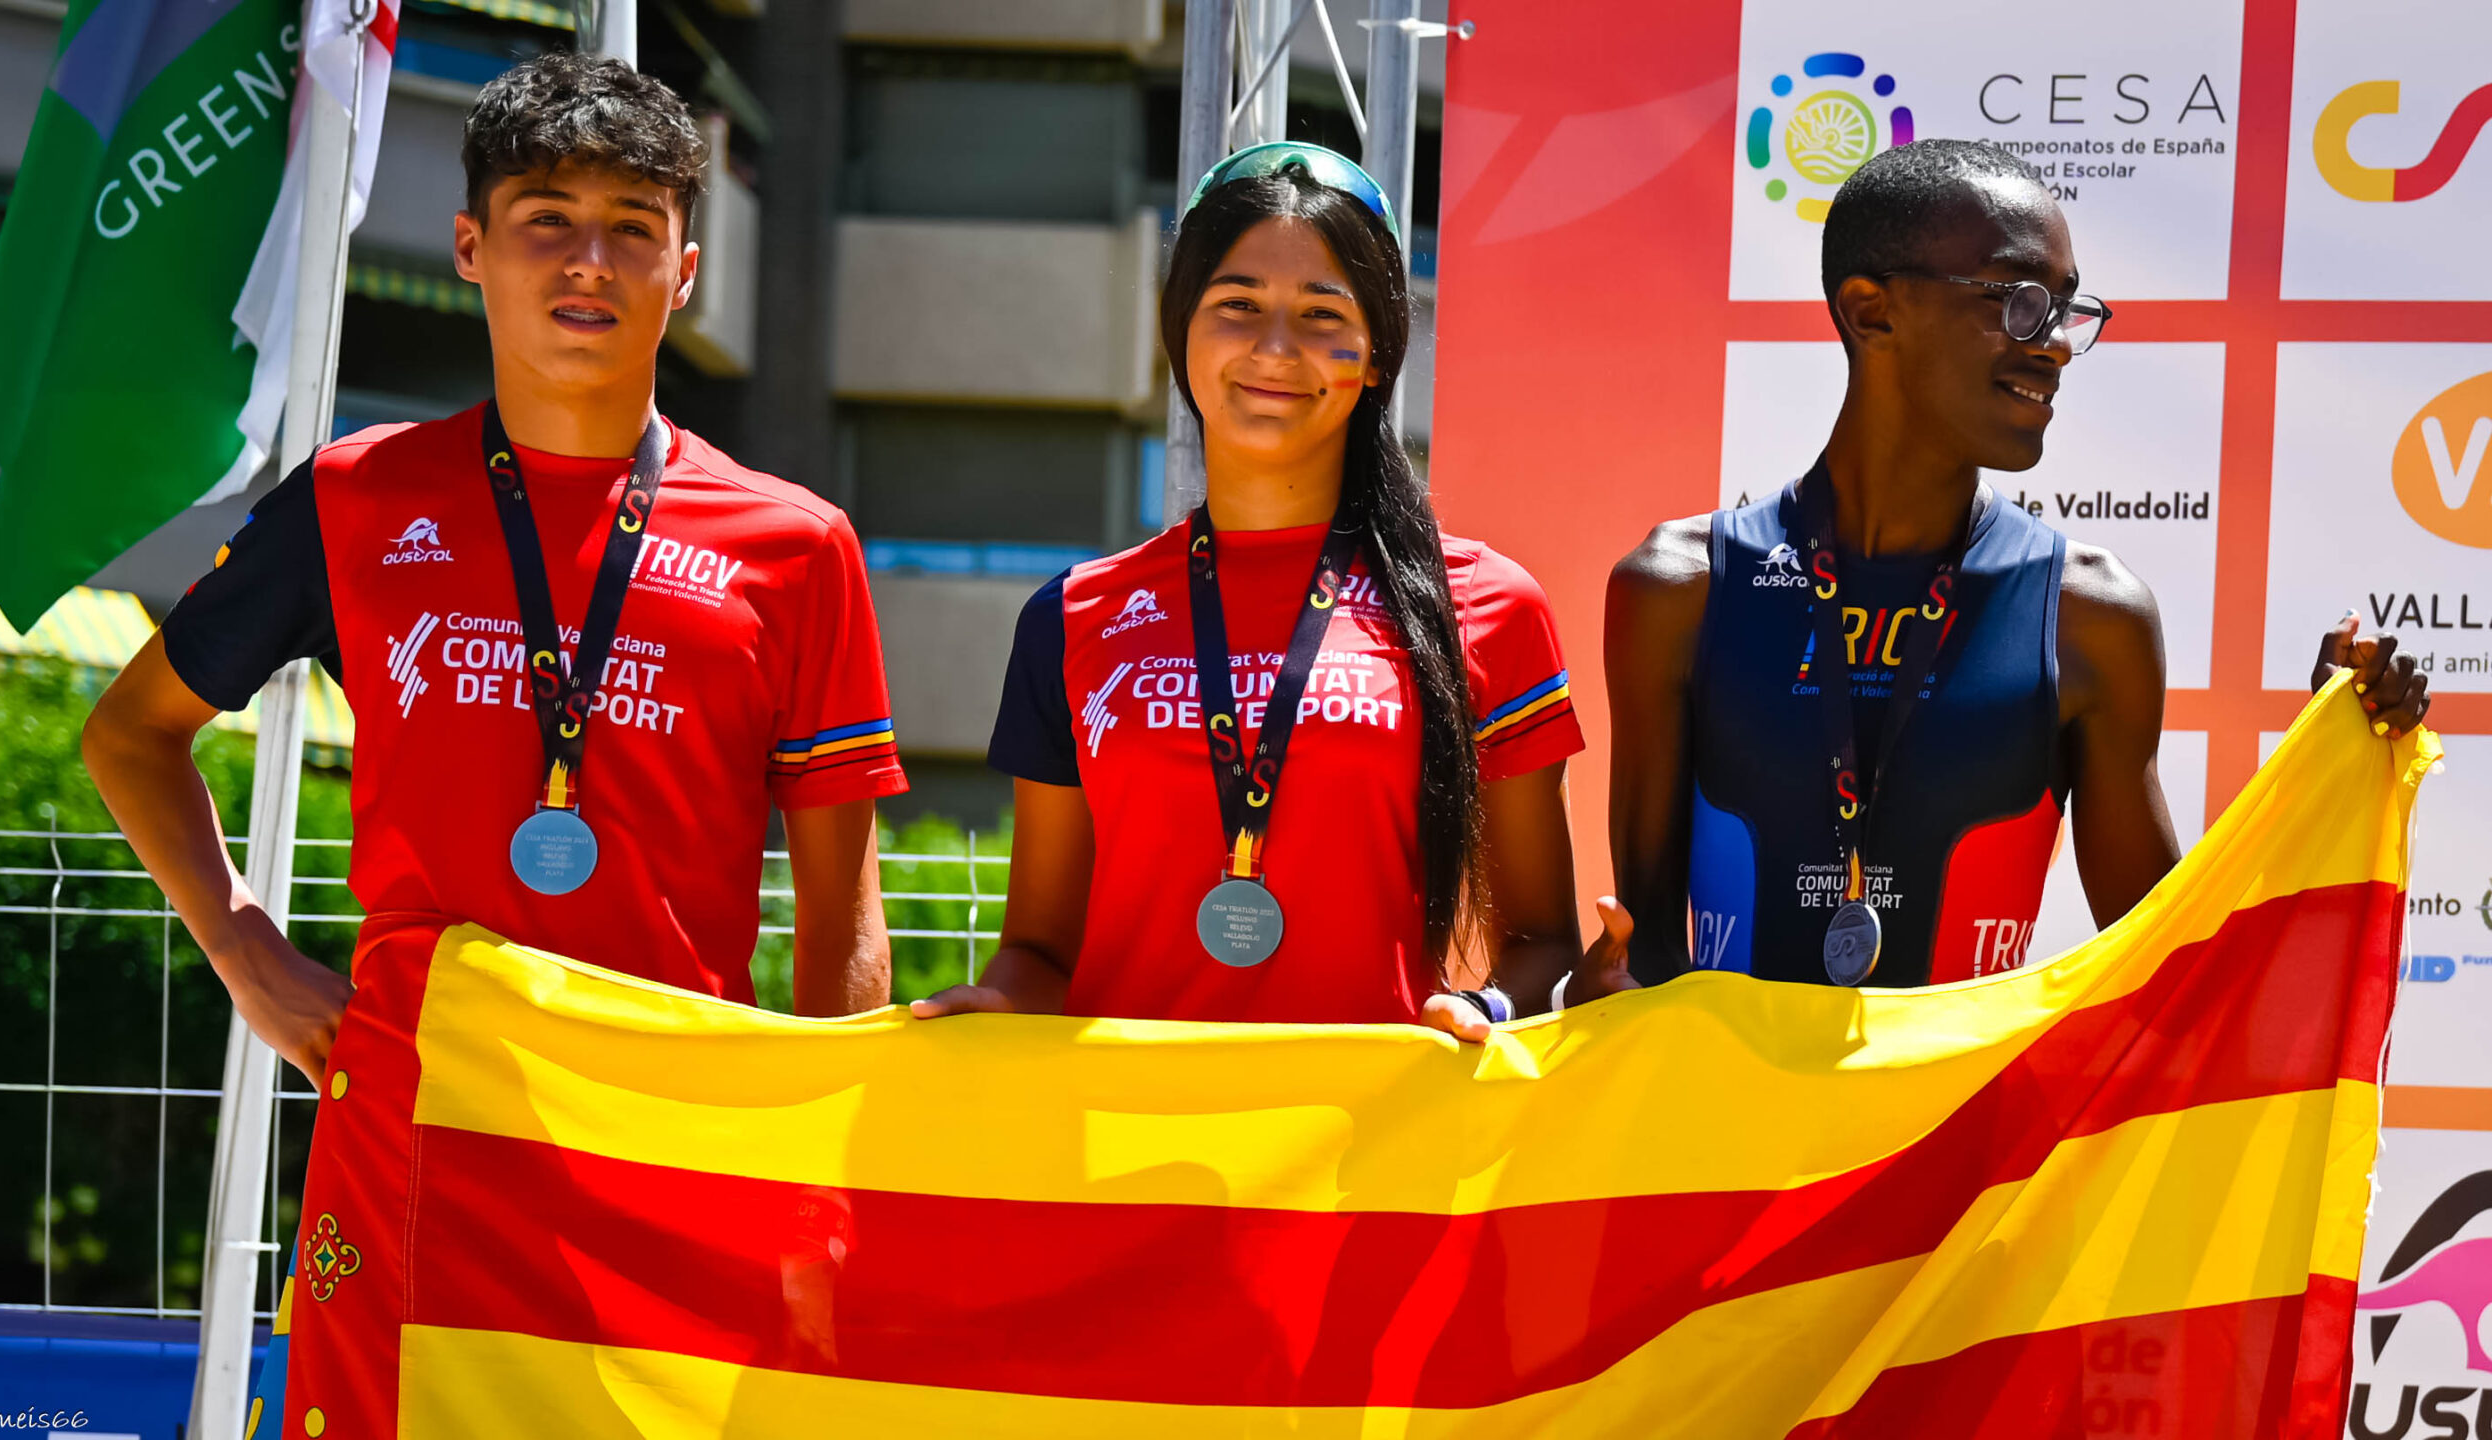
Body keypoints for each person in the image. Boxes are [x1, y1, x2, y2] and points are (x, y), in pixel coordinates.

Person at [81, 53, 908, 1086]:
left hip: (671, 1123)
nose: (590, 262)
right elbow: (131, 733)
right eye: (547, 218)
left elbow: (844, 925)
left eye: (634, 226)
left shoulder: (798, 546)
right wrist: (248, 955)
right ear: (471, 245)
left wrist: (819, 1158)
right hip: (411, 1114)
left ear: (685, 270)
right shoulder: (354, 497)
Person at [1581, 139, 2428, 991]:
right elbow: (1644, 959)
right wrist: (1595, 995)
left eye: (2065, 309)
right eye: (2019, 301)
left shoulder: (2093, 616)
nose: (2054, 345)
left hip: (1978, 1091)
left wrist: (2321, 766)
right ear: (1872, 313)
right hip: (1731, 1085)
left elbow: (2174, 979)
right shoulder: (1681, 590)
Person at [911, 144, 1584, 1039]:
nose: (1275, 349)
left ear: (1376, 355)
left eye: (1321, 314)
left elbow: (1545, 943)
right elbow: (1040, 951)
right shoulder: (1072, 619)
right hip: (1125, 1124)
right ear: (1181, 332)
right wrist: (998, 1006)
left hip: (1372, 1124)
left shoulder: (1485, 606)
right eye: (1237, 305)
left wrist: (1481, 1007)